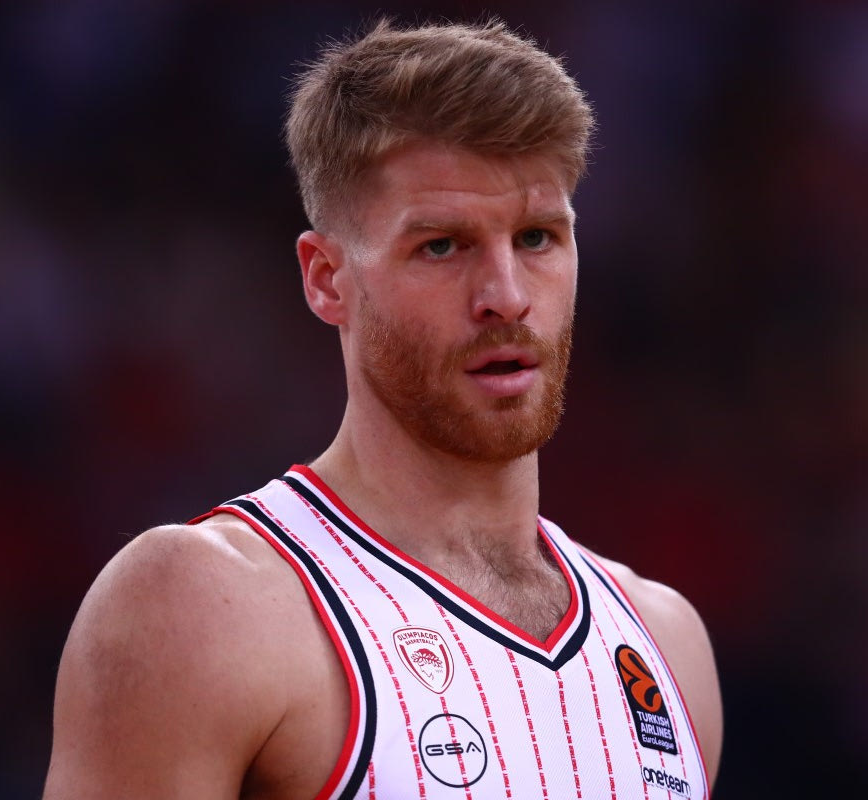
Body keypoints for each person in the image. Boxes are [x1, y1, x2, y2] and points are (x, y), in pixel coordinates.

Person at [43, 18, 722, 800]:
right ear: (327, 279)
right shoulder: (204, 608)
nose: (506, 296)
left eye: (537, 238)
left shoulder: (666, 646)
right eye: (442, 246)